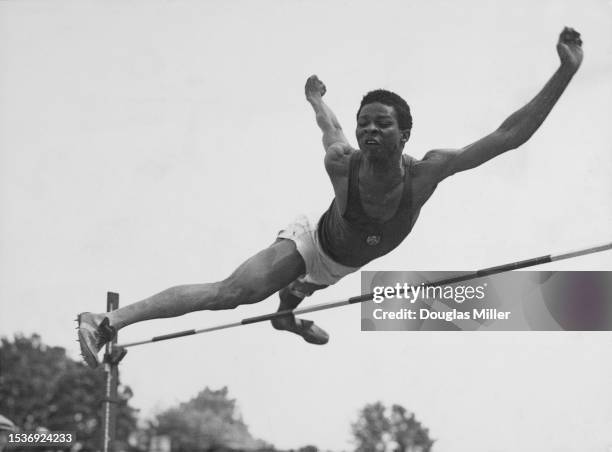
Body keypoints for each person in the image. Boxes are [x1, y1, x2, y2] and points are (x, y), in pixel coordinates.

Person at [78, 27, 583, 367]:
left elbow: (509, 135)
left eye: (382, 125)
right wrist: (316, 99)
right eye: (366, 124)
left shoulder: (429, 171)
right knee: (232, 293)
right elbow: (331, 127)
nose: (370, 132)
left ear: (405, 134)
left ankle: (287, 316)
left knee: (304, 290)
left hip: (342, 262)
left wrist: (565, 72)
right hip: (313, 245)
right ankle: (105, 322)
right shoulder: (343, 161)